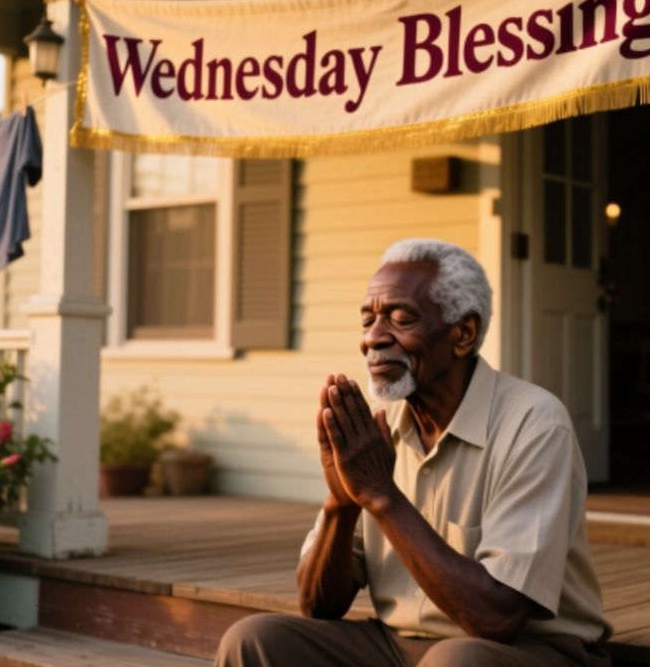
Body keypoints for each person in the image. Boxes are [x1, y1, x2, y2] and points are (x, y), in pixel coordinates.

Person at [216, 238, 612, 666]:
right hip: (396, 646)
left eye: (400, 318)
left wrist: (382, 496)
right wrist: (340, 502)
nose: (372, 339)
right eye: (367, 320)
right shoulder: (378, 435)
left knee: (456, 662)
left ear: (463, 333)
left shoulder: (534, 424)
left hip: (524, 652)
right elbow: (318, 606)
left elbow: (496, 619)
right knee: (254, 639)